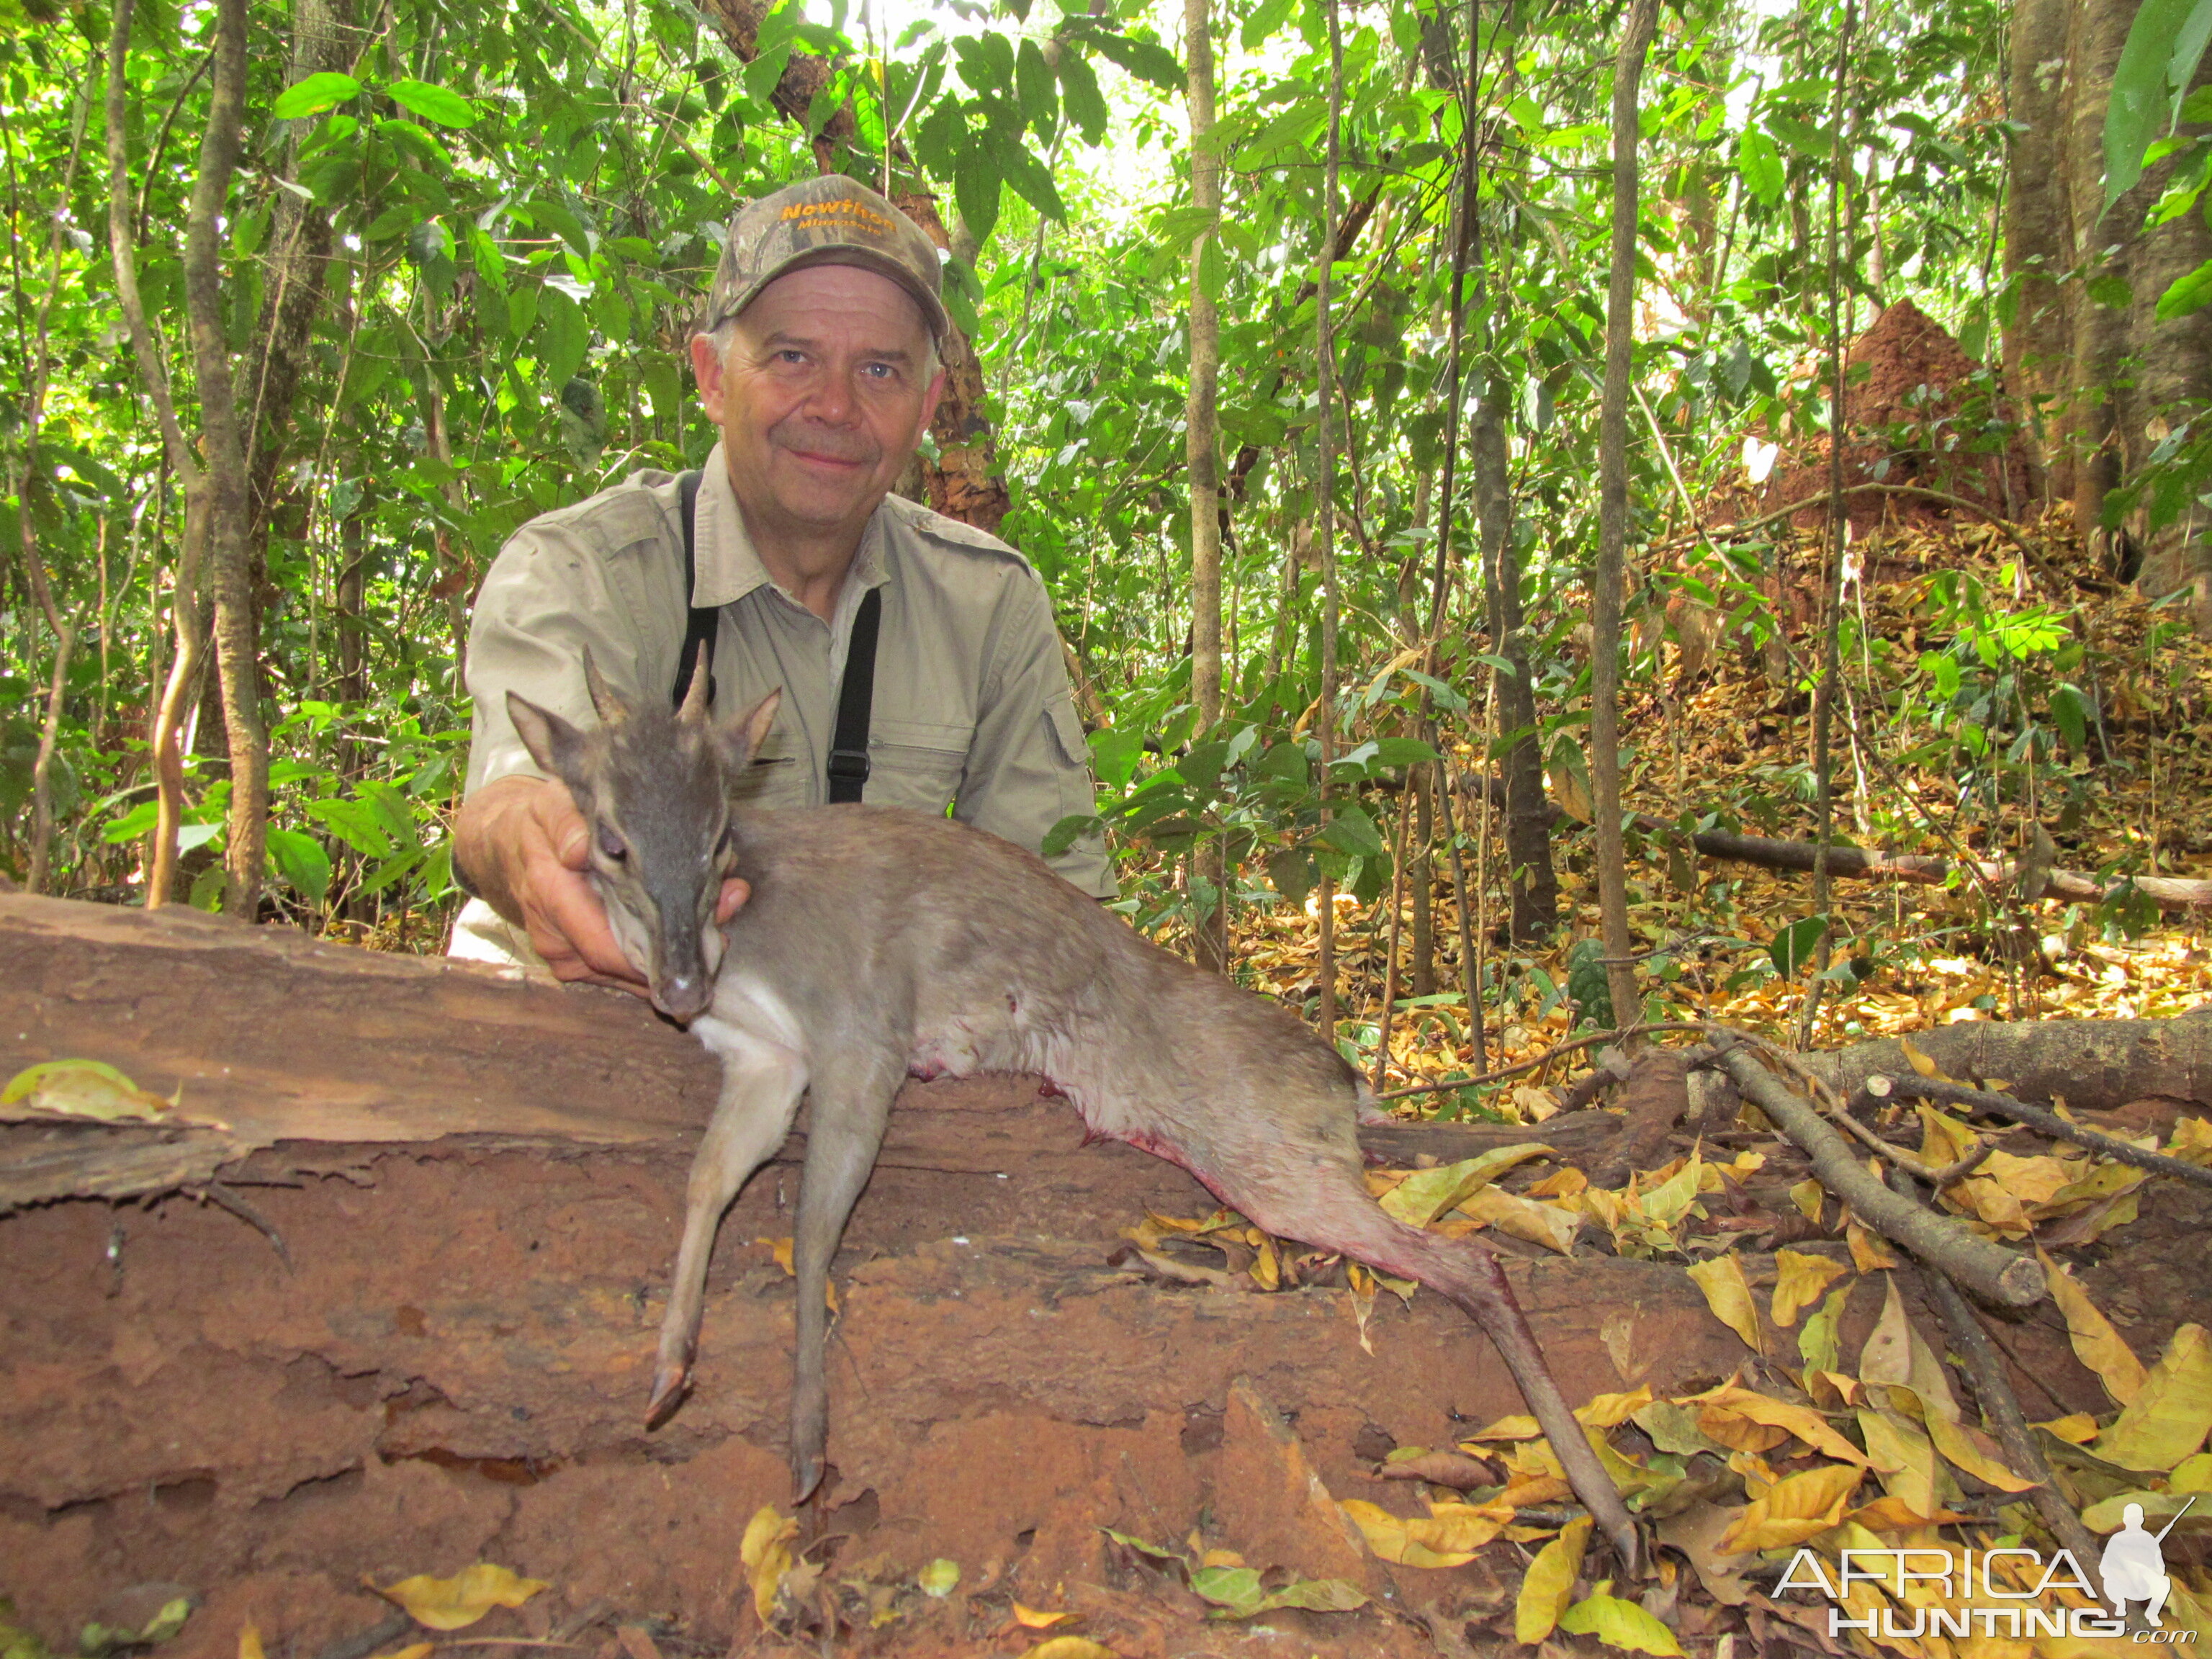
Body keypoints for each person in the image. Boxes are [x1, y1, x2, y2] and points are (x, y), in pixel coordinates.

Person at [450, 175, 1113, 991]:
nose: (834, 406)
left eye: (879, 370)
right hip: (561, 1035)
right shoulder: (583, 570)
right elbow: (507, 805)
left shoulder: (987, 605)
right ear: (712, 376)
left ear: (928, 401)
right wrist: (534, 844)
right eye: (793, 356)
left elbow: (1059, 913)